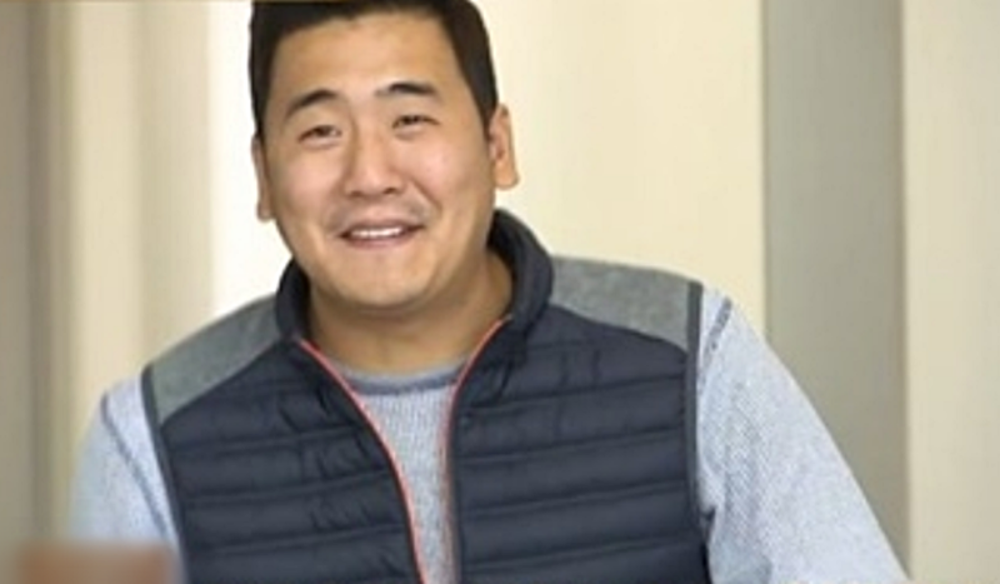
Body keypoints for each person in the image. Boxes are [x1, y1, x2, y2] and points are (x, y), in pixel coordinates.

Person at [70, 1, 907, 583]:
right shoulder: (144, 435)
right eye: (320, 130)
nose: (370, 174)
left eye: (410, 119)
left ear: (497, 145)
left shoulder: (693, 358)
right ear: (263, 175)